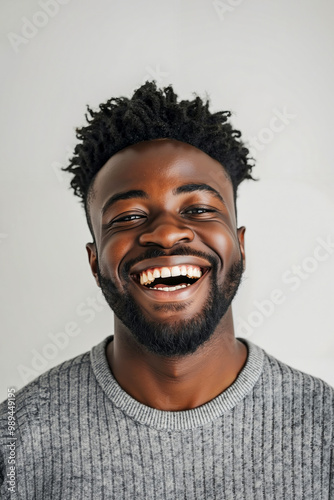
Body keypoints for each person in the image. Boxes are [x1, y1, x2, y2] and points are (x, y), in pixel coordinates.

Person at [0, 82, 333, 499]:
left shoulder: (326, 426)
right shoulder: (15, 440)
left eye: (198, 209)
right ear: (94, 261)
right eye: (128, 216)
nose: (166, 232)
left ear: (240, 244)